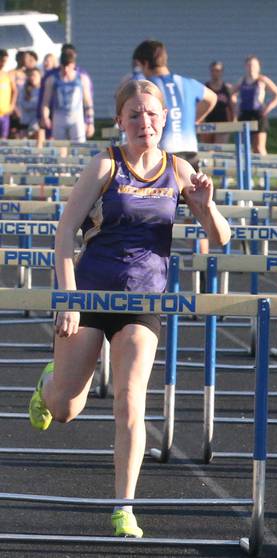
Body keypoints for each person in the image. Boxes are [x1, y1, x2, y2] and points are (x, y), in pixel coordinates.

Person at [28, 79, 231, 538]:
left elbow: (221, 239)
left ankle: (124, 507)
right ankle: (49, 383)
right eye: (135, 115)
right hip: (91, 295)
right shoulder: (105, 164)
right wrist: (69, 299)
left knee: (131, 404)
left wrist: (205, 207)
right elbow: (64, 235)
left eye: (152, 114)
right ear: (120, 120)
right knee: (65, 408)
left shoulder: (179, 169)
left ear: (165, 120)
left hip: (143, 302)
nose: (145, 123)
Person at [132, 40, 217, 166]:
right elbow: (212, 98)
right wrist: (193, 118)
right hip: (190, 152)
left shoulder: (147, 86)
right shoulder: (187, 82)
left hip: (164, 155)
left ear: (145, 63)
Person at [232, 55, 277, 155]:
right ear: (245, 67)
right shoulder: (241, 81)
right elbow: (231, 94)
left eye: (254, 65)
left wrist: (268, 107)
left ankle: (265, 168)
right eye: (249, 65)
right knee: (244, 146)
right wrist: (236, 106)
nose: (251, 68)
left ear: (258, 67)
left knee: (259, 147)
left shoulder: (262, 80)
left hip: (258, 114)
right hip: (244, 114)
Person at [39, 49, 94, 141]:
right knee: (60, 148)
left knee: (79, 148)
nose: (65, 70)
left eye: (68, 66)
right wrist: (45, 117)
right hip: (59, 118)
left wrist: (90, 122)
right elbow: (46, 102)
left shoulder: (82, 79)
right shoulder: (52, 79)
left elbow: (88, 102)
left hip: (76, 118)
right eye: (63, 66)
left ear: (73, 65)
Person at [200, 61, 234, 144]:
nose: (215, 73)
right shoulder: (205, 87)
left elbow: (231, 107)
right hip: (208, 123)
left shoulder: (227, 88)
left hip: (223, 123)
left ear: (221, 72)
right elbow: (200, 106)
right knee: (207, 150)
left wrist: (232, 123)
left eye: (218, 70)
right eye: (213, 70)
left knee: (219, 150)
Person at [14, 68, 41, 139]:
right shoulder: (24, 89)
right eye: (31, 76)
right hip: (25, 120)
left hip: (37, 121)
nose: (32, 78)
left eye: (35, 75)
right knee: (24, 141)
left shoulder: (43, 90)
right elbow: (22, 103)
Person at [0, 49, 18, 139]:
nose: (3, 63)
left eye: (5, 61)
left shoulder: (8, 75)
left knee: (3, 139)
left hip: (5, 113)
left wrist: (12, 105)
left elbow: (15, 91)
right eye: (2, 61)